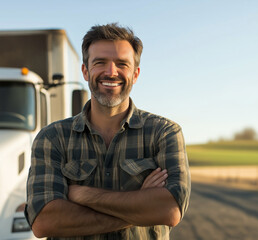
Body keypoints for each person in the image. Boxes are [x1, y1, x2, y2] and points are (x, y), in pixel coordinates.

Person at [25, 23, 191, 240]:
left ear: (136, 74)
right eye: (100, 62)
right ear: (85, 71)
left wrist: (84, 195)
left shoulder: (163, 133)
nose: (111, 72)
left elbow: (170, 210)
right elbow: (44, 221)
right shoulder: (53, 138)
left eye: (122, 64)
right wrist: (141, 206)